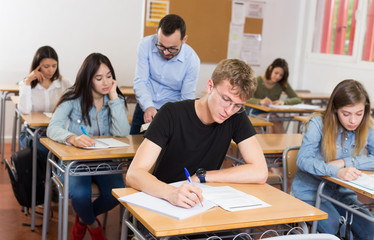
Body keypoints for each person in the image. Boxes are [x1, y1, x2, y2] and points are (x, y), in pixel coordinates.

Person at [126, 59, 268, 210]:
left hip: (201, 204)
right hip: (164, 202)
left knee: (239, 234)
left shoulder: (236, 116)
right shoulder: (171, 113)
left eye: (237, 105)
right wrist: (171, 193)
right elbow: (134, 174)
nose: (229, 110)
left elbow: (260, 172)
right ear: (210, 86)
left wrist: (203, 176)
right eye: (226, 99)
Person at [47, 53, 130, 240]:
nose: (106, 82)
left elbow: (122, 132)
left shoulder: (113, 99)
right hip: (76, 161)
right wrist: (72, 138)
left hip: (104, 160)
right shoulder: (73, 97)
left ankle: (83, 219)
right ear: (88, 79)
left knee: (115, 193)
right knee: (79, 195)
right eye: (99, 78)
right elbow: (53, 127)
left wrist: (114, 97)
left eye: (109, 76)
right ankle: (93, 225)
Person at [291, 79, 374, 239]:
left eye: (359, 113)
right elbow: (303, 160)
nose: (353, 121)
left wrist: (346, 163)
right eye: (346, 114)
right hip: (311, 192)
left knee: (371, 231)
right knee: (342, 233)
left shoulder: (365, 126)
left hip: (342, 193)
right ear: (335, 109)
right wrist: (336, 171)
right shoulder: (318, 123)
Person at [130, 13, 200, 134]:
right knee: (134, 149)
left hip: (171, 113)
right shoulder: (145, 45)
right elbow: (140, 81)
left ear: (184, 40)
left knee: (166, 152)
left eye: (172, 48)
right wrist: (148, 106)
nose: (166, 53)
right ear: (157, 32)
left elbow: (186, 97)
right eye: (161, 46)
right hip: (145, 107)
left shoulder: (192, 60)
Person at [18, 46, 71, 161]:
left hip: (58, 130)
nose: (50, 70)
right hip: (33, 132)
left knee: (63, 148)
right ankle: (46, 177)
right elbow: (24, 111)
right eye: (46, 66)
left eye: (54, 66)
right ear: (37, 66)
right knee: (47, 150)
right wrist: (28, 82)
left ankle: (56, 177)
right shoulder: (27, 84)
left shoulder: (64, 83)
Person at [247, 58, 301, 133]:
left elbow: (297, 99)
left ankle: (283, 144)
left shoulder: (281, 83)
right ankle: (278, 144)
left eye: (281, 75)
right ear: (270, 68)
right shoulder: (256, 81)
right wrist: (260, 101)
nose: (278, 77)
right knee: (272, 122)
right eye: (276, 73)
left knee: (274, 121)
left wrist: (283, 102)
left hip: (270, 113)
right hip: (254, 112)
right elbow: (245, 99)